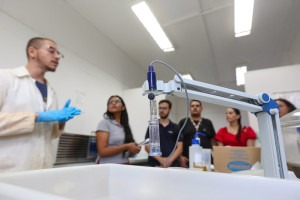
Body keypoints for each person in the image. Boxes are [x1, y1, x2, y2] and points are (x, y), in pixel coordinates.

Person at [0, 37, 81, 173]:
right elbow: (37, 119)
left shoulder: (51, 92)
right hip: (8, 171)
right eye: (51, 51)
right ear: (32, 52)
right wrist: (36, 117)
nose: (57, 57)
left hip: (41, 171)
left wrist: (60, 123)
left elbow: (50, 135)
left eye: (59, 53)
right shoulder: (5, 78)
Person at [95, 95, 141, 164]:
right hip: (108, 166)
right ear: (108, 107)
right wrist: (127, 146)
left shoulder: (125, 126)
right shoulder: (104, 123)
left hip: (124, 164)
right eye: (110, 102)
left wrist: (134, 149)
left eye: (117, 101)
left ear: (123, 107)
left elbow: (128, 154)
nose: (113, 103)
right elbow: (102, 152)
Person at [145, 99, 183, 168]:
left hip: (172, 165)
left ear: (170, 110)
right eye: (160, 108)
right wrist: (161, 160)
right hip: (154, 164)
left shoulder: (176, 127)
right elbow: (147, 146)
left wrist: (169, 160)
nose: (162, 110)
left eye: (165, 108)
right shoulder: (153, 126)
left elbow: (180, 147)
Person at [178, 100, 216, 168]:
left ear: (201, 109)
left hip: (206, 159)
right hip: (188, 159)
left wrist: (216, 155)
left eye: (197, 106)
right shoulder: (183, 122)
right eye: (192, 106)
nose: (195, 107)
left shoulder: (208, 122)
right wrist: (180, 157)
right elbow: (178, 142)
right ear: (189, 109)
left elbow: (213, 141)